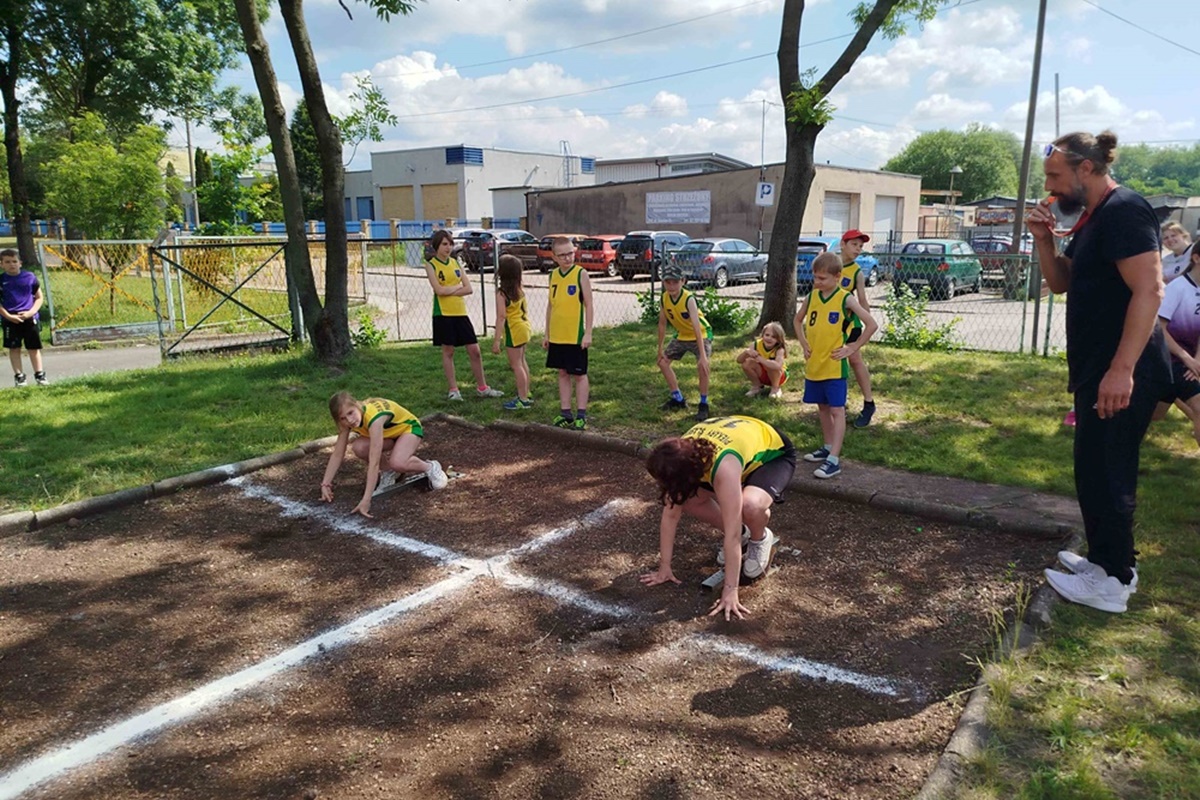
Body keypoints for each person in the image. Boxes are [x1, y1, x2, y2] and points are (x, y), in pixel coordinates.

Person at [1028, 130, 1172, 614]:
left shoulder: (1125, 211)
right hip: (1097, 367)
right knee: (1093, 469)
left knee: (1110, 472)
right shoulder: (1092, 219)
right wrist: (1044, 241)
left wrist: (1122, 370)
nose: (1049, 186)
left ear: (1085, 169)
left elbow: (1150, 290)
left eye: (1054, 176)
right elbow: (1060, 283)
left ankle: (1115, 581)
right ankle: (1105, 560)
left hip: (1121, 368)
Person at [640, 414, 797, 621]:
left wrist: (731, 591)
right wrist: (665, 567)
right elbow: (670, 515)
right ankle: (745, 534)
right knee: (685, 499)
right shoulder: (680, 457)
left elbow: (729, 536)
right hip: (733, 446)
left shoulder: (724, 469)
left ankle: (759, 538)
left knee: (748, 507)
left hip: (773, 455)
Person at [793, 252, 878, 480]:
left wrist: (852, 347)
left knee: (837, 410)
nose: (817, 282)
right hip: (815, 364)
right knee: (822, 406)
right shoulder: (811, 297)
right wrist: (803, 343)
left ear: (837, 277)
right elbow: (797, 320)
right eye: (815, 277)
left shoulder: (845, 299)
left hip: (833, 365)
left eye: (822, 278)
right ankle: (828, 446)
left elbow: (871, 324)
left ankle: (834, 459)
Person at [321, 391, 449, 518]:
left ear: (356, 405)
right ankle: (389, 472)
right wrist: (325, 484)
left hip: (408, 429)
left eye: (350, 413)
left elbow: (374, 461)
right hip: (389, 435)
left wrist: (366, 500)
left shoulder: (373, 418)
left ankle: (430, 467)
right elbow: (338, 453)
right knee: (359, 447)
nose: (349, 420)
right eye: (343, 418)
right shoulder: (347, 423)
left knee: (398, 462)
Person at [423, 229, 503, 402]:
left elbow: (469, 288)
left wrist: (449, 290)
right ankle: (453, 390)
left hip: (460, 312)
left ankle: (482, 387)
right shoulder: (431, 265)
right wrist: (455, 290)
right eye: (444, 244)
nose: (448, 247)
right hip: (443, 314)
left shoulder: (456, 263)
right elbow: (439, 290)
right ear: (437, 245)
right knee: (448, 350)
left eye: (450, 244)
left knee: (475, 350)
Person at [542, 236, 594, 429]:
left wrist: (587, 333)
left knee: (579, 374)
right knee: (562, 373)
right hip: (557, 335)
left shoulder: (581, 274)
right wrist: (547, 334)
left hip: (575, 335)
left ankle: (581, 414)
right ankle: (566, 413)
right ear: (554, 257)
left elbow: (588, 304)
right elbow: (551, 305)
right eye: (562, 255)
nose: (567, 258)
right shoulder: (552, 275)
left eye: (570, 253)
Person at [1153, 242, 1200, 446]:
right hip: (1167, 360)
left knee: (1196, 408)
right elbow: (1159, 330)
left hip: (1187, 364)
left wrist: (1197, 362)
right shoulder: (1177, 288)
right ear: (1196, 258)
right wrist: (1186, 358)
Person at [656, 263, 713, 421]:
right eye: (668, 282)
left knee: (702, 367)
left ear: (683, 281)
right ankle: (678, 398)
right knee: (662, 362)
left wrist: (702, 356)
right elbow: (662, 324)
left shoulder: (688, 299)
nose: (672, 286)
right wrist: (659, 349)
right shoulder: (664, 298)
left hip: (700, 334)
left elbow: (696, 326)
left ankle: (703, 404)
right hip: (682, 335)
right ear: (663, 282)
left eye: (675, 282)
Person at [838, 230, 877, 427]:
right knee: (835, 361)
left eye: (861, 247)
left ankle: (868, 403)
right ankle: (838, 404)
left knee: (854, 359)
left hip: (849, 324)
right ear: (842, 244)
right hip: (829, 324)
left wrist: (865, 322)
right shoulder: (829, 265)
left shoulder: (857, 273)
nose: (858, 249)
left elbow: (862, 300)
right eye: (854, 245)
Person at [492, 254, 534, 411]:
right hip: (524, 327)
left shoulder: (502, 294)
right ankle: (526, 392)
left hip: (514, 331)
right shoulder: (519, 289)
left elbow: (501, 316)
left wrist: (496, 341)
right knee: (522, 361)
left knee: (516, 365)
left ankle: (522, 399)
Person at [0, 249, 47, 387]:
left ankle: (40, 375)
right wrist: (8, 316)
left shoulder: (29, 277)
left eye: (14, 261)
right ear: (1, 264)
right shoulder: (1, 280)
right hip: (10, 319)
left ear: (20, 263)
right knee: (14, 348)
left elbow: (39, 297)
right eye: (7, 262)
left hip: (29, 318)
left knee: (33, 347)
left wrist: (31, 312)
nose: (11, 265)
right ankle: (19, 377)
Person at [736, 321, 788, 399]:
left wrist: (759, 358)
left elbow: (777, 366)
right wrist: (746, 352)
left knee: (771, 365)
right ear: (762, 335)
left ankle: (775, 389)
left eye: (774, 337)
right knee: (747, 363)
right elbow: (739, 361)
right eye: (767, 335)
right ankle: (757, 386)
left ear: (779, 340)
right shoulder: (756, 344)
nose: (769, 338)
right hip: (762, 374)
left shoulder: (779, 349)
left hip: (778, 376)